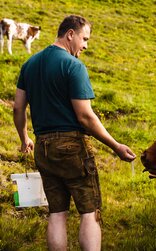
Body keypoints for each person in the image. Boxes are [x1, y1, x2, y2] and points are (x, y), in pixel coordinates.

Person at [13, 15, 136, 251]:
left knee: (57, 213)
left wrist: (24, 138)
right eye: (84, 38)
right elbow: (85, 116)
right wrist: (115, 145)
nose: (86, 45)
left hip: (42, 146)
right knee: (90, 212)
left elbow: (18, 107)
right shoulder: (73, 65)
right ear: (70, 34)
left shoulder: (29, 64)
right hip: (71, 147)